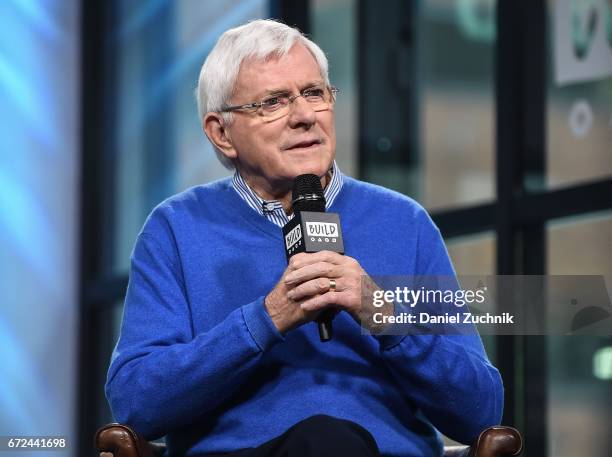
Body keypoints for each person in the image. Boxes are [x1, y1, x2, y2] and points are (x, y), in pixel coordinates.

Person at [105, 19, 503, 457]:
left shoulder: (405, 222)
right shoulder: (176, 229)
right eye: (274, 102)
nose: (304, 116)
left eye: (315, 93)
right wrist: (267, 319)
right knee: (323, 440)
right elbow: (136, 402)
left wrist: (386, 317)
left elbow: (481, 410)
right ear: (221, 132)